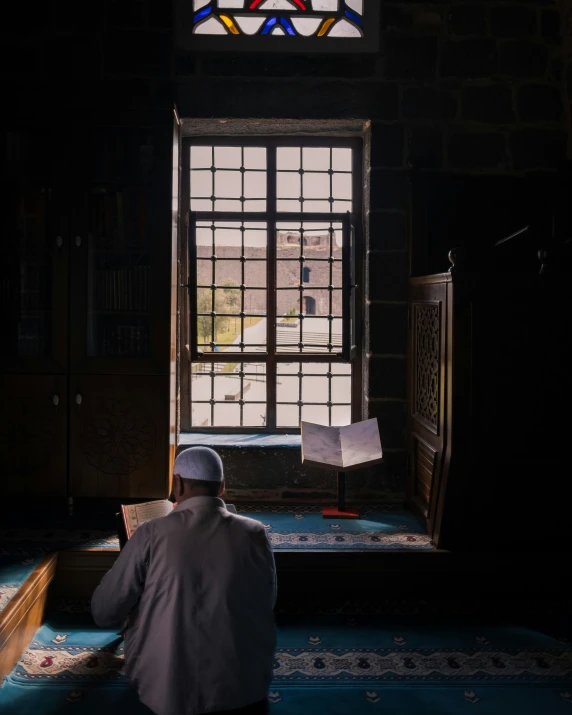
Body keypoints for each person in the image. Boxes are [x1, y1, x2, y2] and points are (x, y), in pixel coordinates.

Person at [91, 447, 277, 715]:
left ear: (177, 483)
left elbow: (103, 611)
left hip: (164, 693)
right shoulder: (254, 532)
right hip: (243, 690)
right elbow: (268, 601)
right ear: (222, 486)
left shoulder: (151, 533)